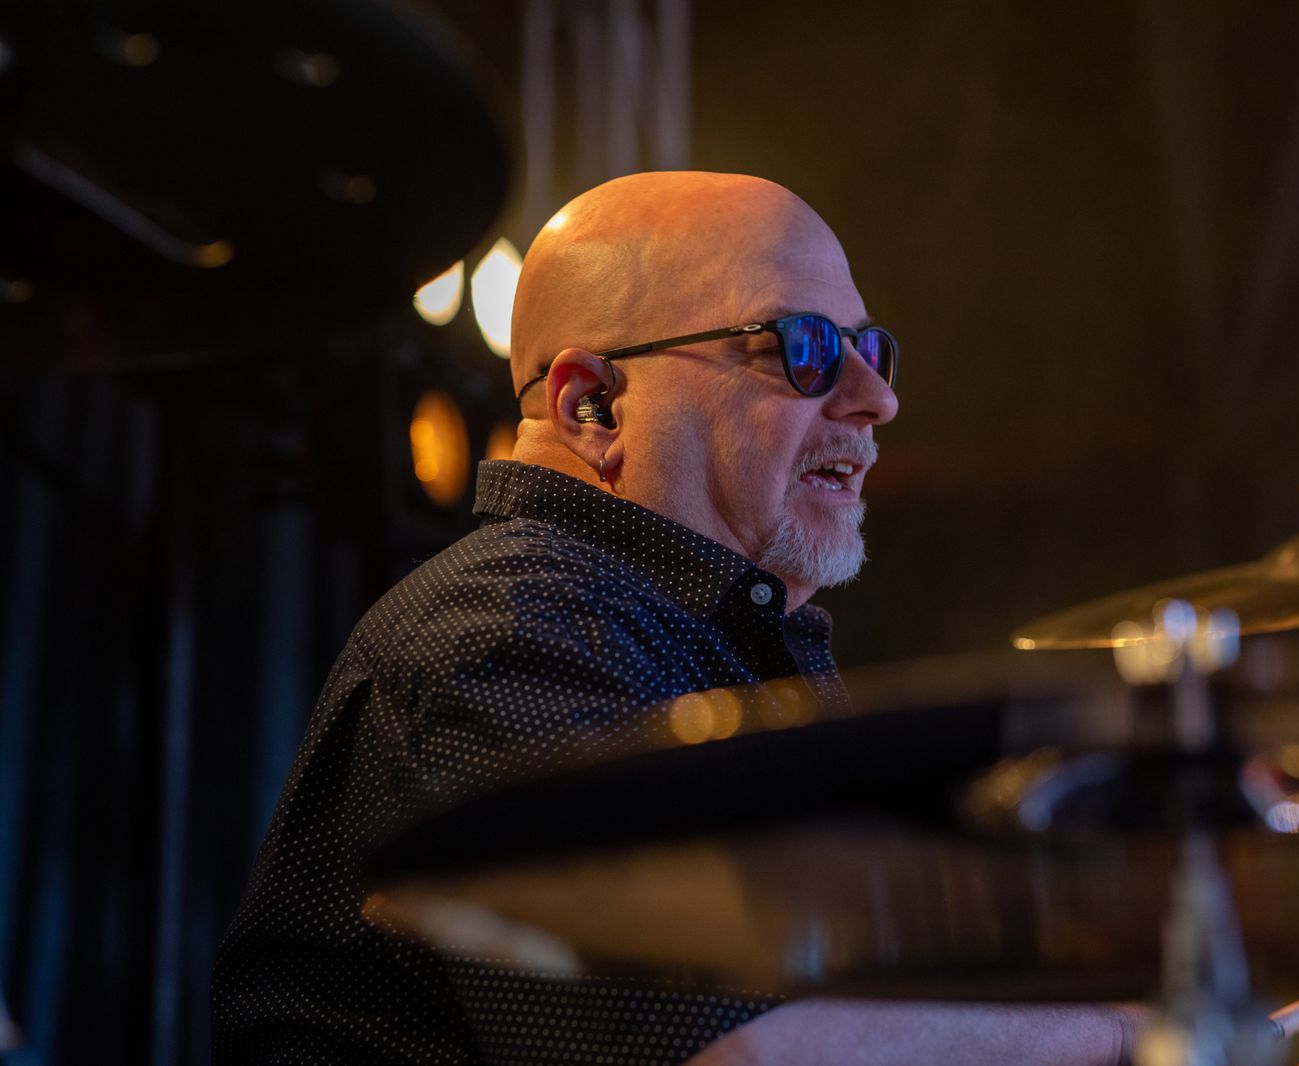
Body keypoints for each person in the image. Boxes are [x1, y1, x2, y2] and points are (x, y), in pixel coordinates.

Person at [213, 171, 1137, 1065]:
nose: (877, 399)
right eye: (806, 347)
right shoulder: (517, 625)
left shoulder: (693, 629)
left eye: (872, 350)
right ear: (594, 405)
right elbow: (716, 1056)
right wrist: (1133, 1023)